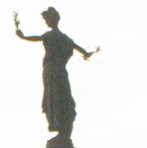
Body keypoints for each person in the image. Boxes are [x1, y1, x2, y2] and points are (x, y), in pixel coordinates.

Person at [14, 8, 98, 138]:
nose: (46, 22)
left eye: (47, 19)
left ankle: (58, 124)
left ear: (52, 20)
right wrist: (87, 53)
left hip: (51, 70)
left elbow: (36, 38)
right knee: (61, 96)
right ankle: (62, 126)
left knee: (53, 96)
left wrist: (23, 37)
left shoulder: (49, 36)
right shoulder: (66, 39)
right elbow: (79, 48)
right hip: (60, 71)